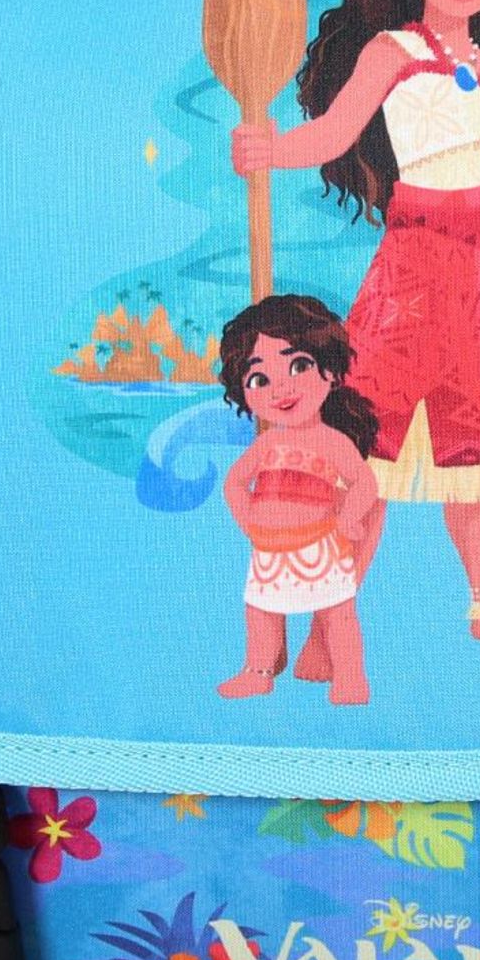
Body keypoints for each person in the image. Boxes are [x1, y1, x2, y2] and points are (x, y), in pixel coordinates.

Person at [232, 0, 480, 650]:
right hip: (413, 269)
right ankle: (327, 619)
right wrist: (273, 151)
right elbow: (332, 133)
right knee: (370, 441)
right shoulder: (393, 50)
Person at [215, 294, 380, 705]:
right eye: (259, 379)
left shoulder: (333, 442)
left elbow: (364, 482)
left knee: (338, 613)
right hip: (270, 552)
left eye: (299, 366)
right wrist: (249, 523)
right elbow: (234, 483)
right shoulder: (267, 444)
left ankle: (349, 676)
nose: (281, 389)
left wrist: (349, 518)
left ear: (331, 372)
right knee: (261, 612)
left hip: (321, 544)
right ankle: (258, 672)